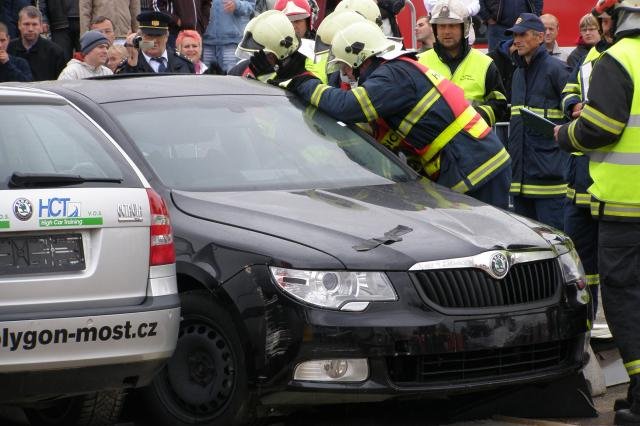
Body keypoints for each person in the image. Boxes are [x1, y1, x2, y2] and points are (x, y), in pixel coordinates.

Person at [281, 20, 512, 208]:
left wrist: (303, 83)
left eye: (346, 66)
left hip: (475, 165)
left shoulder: (391, 76)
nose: (346, 74)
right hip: (468, 161)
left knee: (487, 245)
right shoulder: (394, 71)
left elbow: (348, 106)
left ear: (361, 57)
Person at [555, 1, 640, 424]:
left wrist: (564, 133)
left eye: (606, 18)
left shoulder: (617, 59)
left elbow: (600, 129)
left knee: (625, 297)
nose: (602, 25)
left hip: (626, 208)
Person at [507, 12, 570, 229]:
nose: (517, 40)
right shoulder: (517, 74)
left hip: (550, 184)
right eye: (515, 35)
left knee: (556, 245)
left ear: (540, 37)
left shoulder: (557, 70)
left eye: (523, 34)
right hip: (521, 182)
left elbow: (576, 115)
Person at [418, 0, 507, 127]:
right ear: (435, 29)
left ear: (464, 27)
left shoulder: (485, 63)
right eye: (442, 26)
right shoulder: (419, 62)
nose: (446, 31)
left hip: (471, 142)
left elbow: (499, 103)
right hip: (430, 140)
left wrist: (477, 118)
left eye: (452, 25)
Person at [117, 10, 194, 73]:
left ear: (166, 37)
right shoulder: (130, 64)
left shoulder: (183, 63)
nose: (154, 41)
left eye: (158, 36)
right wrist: (132, 65)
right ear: (140, 37)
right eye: (149, 36)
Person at [8, 6, 66, 81]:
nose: (30, 29)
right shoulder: (9, 49)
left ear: (41, 26)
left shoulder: (55, 52)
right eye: (26, 24)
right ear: (19, 25)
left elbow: (61, 83)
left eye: (34, 24)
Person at [202, 0, 255, 73]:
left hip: (231, 44)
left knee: (232, 80)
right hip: (205, 43)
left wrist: (237, 5)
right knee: (203, 81)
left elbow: (251, 6)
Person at [479, 0, 543, 52]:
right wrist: (487, 17)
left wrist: (535, 16)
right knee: (497, 62)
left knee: (525, 62)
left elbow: (538, 2)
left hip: (524, 29)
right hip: (498, 28)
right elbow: (479, 2)